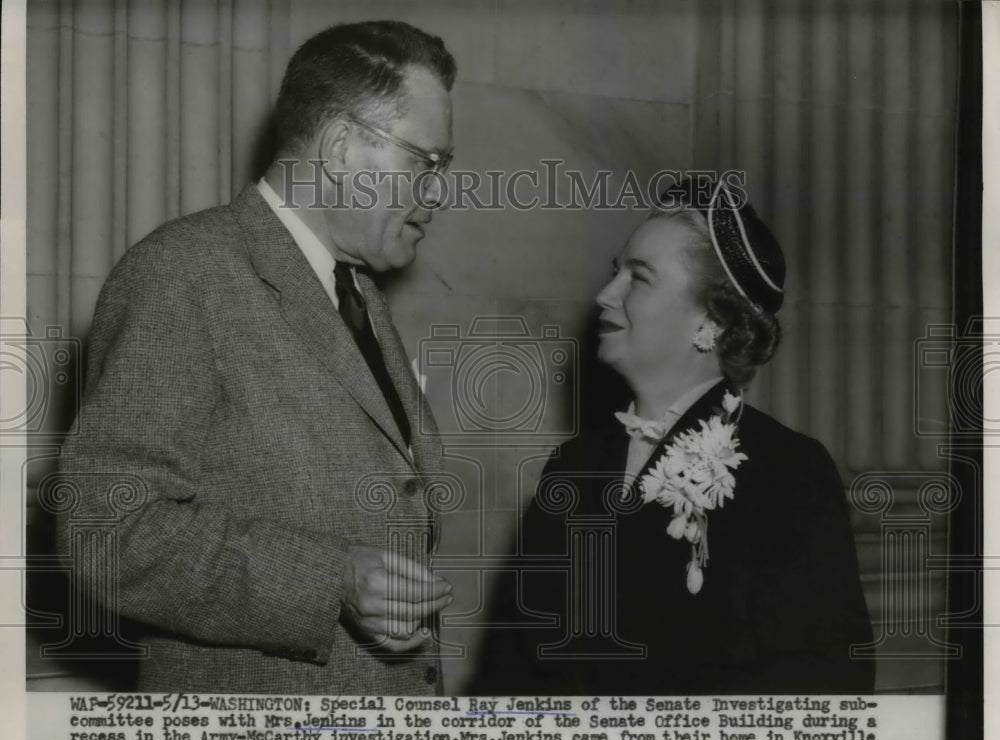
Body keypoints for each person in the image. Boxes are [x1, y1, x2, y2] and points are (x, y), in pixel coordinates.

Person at [57, 21, 457, 694]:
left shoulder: (357, 294)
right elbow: (106, 526)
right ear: (340, 147)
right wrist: (330, 581)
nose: (441, 193)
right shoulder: (182, 273)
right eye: (428, 163)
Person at [472, 178, 874, 695]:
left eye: (638, 278)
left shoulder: (785, 470)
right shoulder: (574, 464)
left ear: (713, 317)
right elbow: (509, 673)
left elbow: (822, 690)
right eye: (616, 272)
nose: (605, 294)